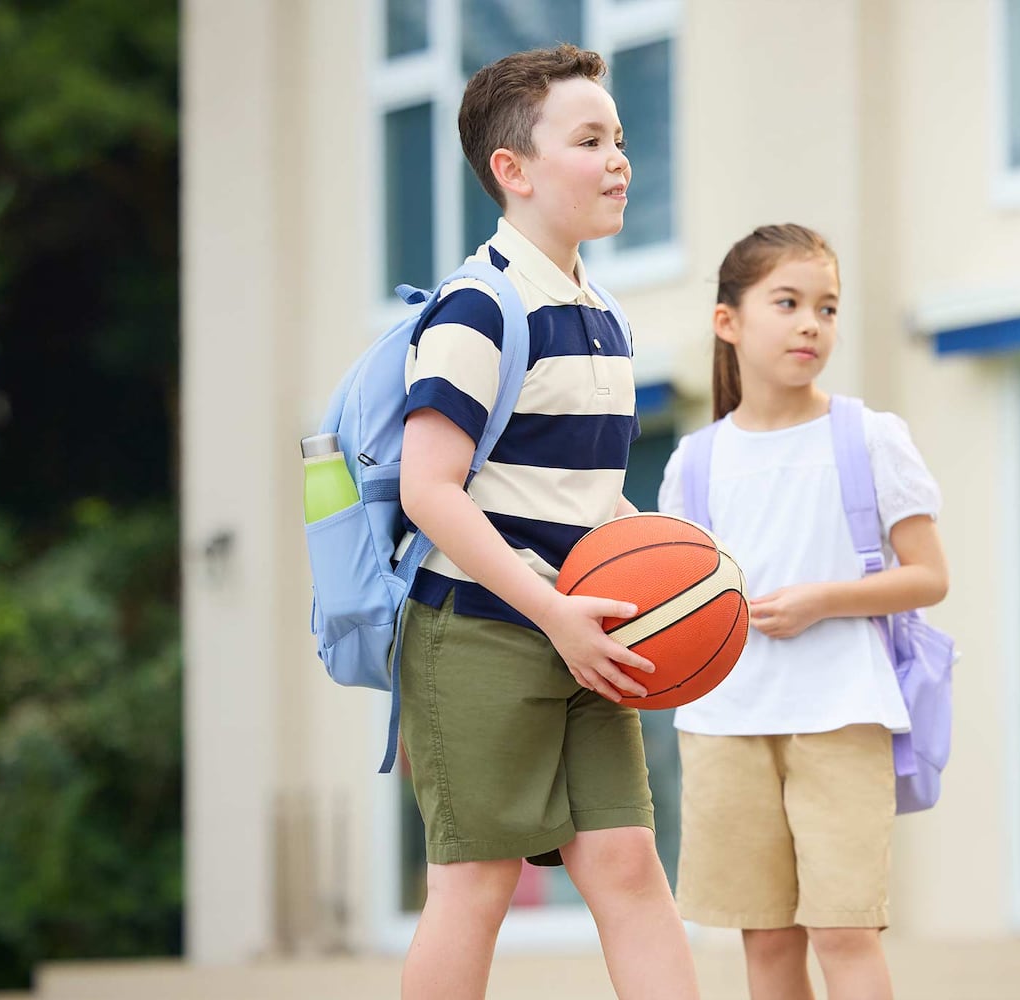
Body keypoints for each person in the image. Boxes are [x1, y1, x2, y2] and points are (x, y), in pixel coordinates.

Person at [396, 43, 699, 1000]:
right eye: (590, 139)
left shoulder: (604, 314)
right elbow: (428, 489)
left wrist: (679, 570)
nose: (621, 160)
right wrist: (550, 612)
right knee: (477, 882)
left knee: (628, 866)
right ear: (513, 171)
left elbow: (591, 494)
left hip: (589, 632)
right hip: (480, 633)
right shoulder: (478, 305)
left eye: (620, 139)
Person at [659, 224, 950, 1000]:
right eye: (786, 303)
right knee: (768, 944)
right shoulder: (695, 462)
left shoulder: (869, 437)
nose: (810, 325)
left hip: (842, 715)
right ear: (729, 323)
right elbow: (682, 603)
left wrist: (825, 601)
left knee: (845, 931)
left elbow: (929, 578)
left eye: (825, 307)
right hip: (725, 723)